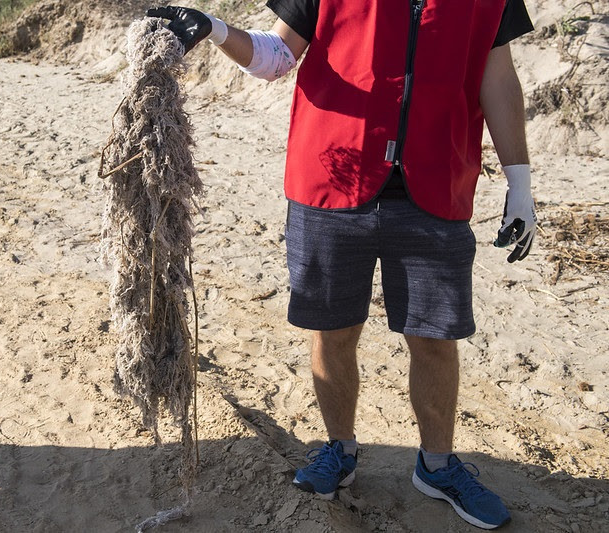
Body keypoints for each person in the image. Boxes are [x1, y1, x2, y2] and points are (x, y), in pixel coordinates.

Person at [147, 1, 537, 530]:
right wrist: (215, 30)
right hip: (330, 183)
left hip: (437, 186)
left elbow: (498, 78)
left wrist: (520, 183)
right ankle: (339, 449)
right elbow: (276, 56)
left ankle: (438, 466)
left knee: (435, 338)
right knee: (333, 331)